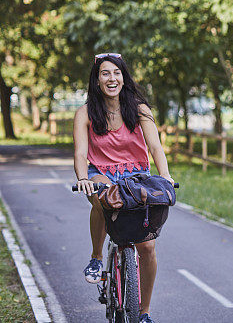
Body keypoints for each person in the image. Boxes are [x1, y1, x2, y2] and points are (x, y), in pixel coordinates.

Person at [74, 53, 173, 323]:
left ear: (124, 77)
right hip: (101, 173)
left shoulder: (140, 109)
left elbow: (155, 147)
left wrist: (165, 175)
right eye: (105, 73)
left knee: (148, 247)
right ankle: (96, 256)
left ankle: (144, 312)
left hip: (137, 175)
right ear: (96, 80)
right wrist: (83, 177)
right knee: (101, 197)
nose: (112, 78)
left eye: (116, 73)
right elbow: (81, 153)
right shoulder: (85, 113)